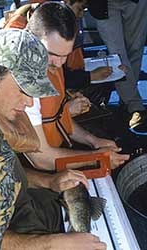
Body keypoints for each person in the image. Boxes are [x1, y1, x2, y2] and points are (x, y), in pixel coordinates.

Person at [0, 28, 106, 250]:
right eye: (24, 90)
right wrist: (52, 244)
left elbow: (3, 172)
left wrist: (49, 181)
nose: (30, 103)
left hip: (26, 207)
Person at [13, 2, 129, 171]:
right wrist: (97, 157)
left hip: (56, 146)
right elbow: (41, 158)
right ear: (31, 40)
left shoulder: (51, 63)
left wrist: (93, 141)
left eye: (65, 55)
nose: (59, 63)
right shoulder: (23, 81)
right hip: (29, 166)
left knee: (105, 137)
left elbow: (55, 115)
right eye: (52, 54)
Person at [88, 0, 147, 132]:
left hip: (135, 2)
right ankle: (134, 106)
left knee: (135, 50)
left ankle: (127, 101)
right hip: (104, 4)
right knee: (117, 55)